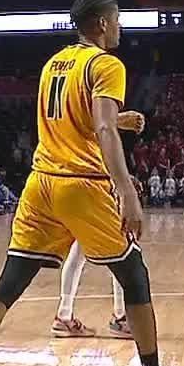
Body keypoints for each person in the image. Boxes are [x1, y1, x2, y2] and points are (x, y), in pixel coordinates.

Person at [0, 0, 184, 366]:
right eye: (117, 20)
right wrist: (127, 189)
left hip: (41, 182)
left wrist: (120, 120)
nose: (120, 27)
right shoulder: (106, 64)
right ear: (101, 24)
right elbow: (99, 125)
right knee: (134, 276)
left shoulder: (54, 64)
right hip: (82, 184)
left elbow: (73, 118)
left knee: (8, 284)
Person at [51, 109, 147, 340]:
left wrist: (121, 180)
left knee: (78, 252)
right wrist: (122, 120)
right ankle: (121, 317)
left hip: (70, 184)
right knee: (123, 252)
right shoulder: (88, 102)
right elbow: (87, 124)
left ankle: (64, 316)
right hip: (85, 186)